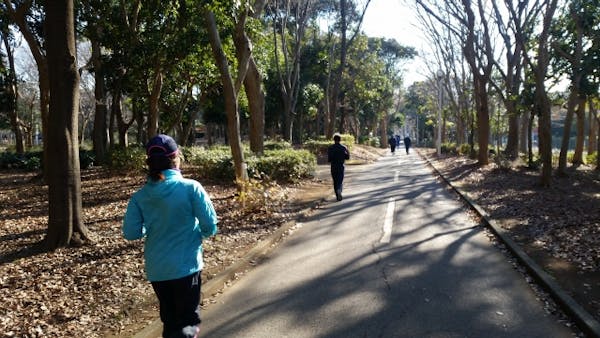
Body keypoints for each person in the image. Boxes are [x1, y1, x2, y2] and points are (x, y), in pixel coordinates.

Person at [122, 134, 218, 338]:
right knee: (187, 323)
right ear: (177, 158)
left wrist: (153, 226)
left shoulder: (139, 196)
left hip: (157, 270)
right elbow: (210, 225)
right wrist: (200, 234)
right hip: (186, 266)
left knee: (170, 320)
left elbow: (131, 233)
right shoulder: (191, 188)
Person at [328, 133, 350, 201]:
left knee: (335, 181)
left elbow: (329, 159)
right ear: (340, 140)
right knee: (340, 180)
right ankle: (339, 190)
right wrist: (348, 152)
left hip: (333, 166)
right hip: (341, 166)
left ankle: (337, 195)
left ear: (334, 140)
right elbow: (347, 157)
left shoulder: (331, 148)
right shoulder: (344, 147)